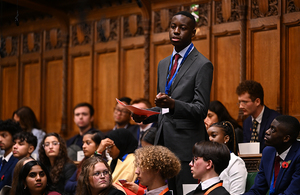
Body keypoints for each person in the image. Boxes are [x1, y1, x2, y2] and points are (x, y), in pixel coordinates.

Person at [132, 11, 213, 195]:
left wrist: (173, 103)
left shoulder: (202, 65)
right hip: (163, 144)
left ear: (193, 33)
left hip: (186, 147)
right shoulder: (163, 63)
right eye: (173, 26)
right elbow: (165, 108)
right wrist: (145, 114)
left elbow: (200, 109)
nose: (176, 31)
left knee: (186, 192)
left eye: (182, 28)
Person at [244, 115, 300, 195]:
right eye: (270, 127)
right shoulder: (268, 152)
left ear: (286, 138)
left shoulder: (298, 156)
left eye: (273, 130)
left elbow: (292, 193)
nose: (267, 131)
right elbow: (257, 190)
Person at [236, 80, 280, 152]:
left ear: (257, 102)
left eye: (244, 102)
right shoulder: (247, 122)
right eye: (239, 102)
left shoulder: (275, 120)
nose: (240, 106)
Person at [207, 121, 247, 195]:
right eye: (208, 136)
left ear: (226, 138)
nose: (209, 139)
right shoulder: (208, 162)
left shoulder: (235, 162)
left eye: (214, 135)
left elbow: (237, 193)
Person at [65, 130, 103, 195]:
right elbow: (68, 185)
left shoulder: (102, 163)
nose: (83, 146)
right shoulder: (83, 161)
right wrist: (82, 183)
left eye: (88, 143)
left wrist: (79, 183)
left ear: (98, 146)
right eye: (83, 143)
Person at [0, 119, 22, 189]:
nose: (0, 139)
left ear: (14, 138)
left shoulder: (18, 161)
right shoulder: (1, 160)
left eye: (4, 135)